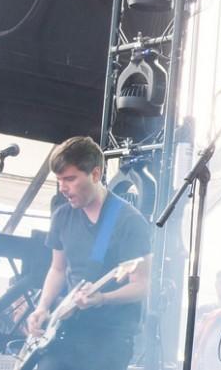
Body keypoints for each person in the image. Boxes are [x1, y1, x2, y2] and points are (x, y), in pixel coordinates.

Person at [26, 136, 152, 370]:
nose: (63, 188)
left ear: (95, 174)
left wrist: (103, 298)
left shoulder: (129, 221)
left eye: (70, 179)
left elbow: (142, 285)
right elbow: (58, 268)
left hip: (110, 337)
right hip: (67, 330)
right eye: (59, 180)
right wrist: (43, 307)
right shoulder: (62, 217)